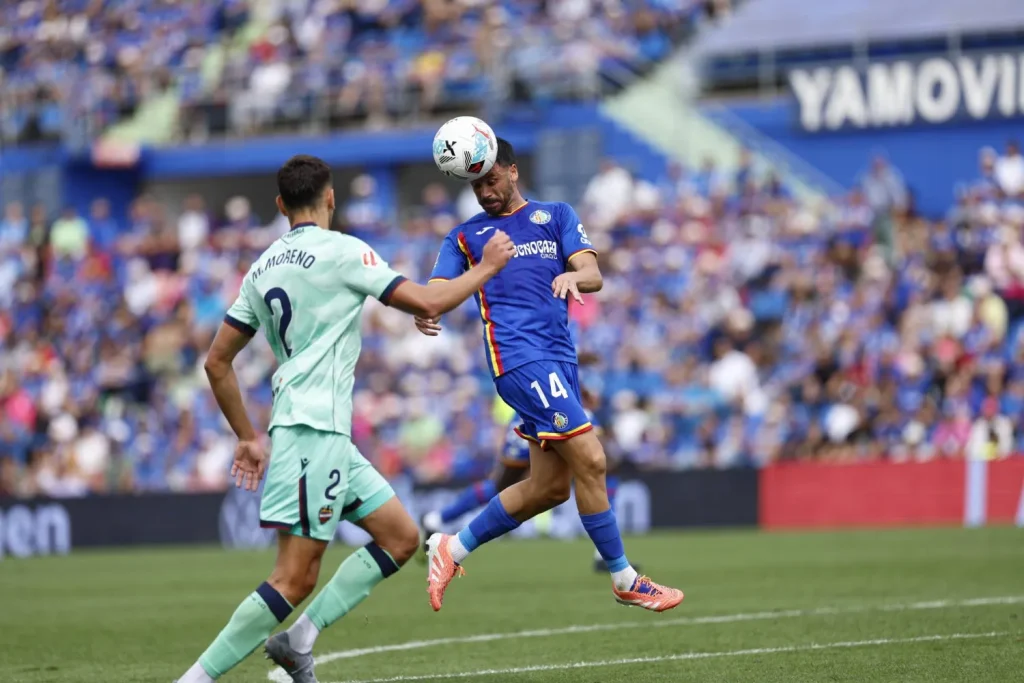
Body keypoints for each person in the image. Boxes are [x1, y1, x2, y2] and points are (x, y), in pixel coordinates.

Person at [176, 154, 516, 683]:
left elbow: (217, 361)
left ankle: (299, 641)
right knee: (292, 579)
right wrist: (487, 266)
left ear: (280, 205)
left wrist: (246, 435)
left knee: (401, 537)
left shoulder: (261, 266)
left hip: (320, 432)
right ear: (331, 198)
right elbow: (428, 300)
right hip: (313, 429)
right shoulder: (343, 251)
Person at [417, 138, 683, 613]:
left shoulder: (555, 214)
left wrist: (572, 278)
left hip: (560, 359)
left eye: (492, 180)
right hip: (518, 360)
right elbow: (437, 290)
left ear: (513, 172)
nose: (485, 192)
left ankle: (450, 548)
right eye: (476, 184)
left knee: (549, 489)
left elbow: (592, 271)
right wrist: (426, 310)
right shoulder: (464, 236)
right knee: (593, 459)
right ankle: (624, 577)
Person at [419, 384, 638, 573]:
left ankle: (607, 557)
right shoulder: (544, 351)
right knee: (501, 486)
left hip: (555, 413)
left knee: (602, 469)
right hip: (539, 416)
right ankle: (440, 523)